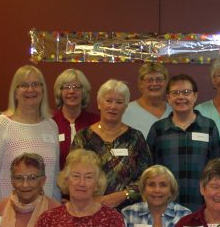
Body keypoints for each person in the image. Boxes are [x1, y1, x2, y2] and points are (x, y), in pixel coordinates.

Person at [0, 65, 60, 208]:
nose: (31, 90)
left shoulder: (51, 126)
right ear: (15, 92)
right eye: (24, 85)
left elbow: (53, 178)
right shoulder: (1, 125)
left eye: (36, 84)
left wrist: (57, 212)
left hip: (44, 215)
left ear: (43, 90)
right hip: (10, 214)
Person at [72, 79, 152, 209]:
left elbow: (147, 177)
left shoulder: (136, 138)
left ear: (125, 107)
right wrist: (94, 199)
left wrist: (124, 194)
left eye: (119, 102)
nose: (113, 106)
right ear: (99, 103)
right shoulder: (83, 137)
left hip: (128, 211)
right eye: (108, 101)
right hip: (88, 208)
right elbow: (72, 175)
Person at [146, 73, 220, 211]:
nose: (181, 97)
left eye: (186, 92)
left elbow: (215, 170)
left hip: (201, 206)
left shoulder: (209, 127)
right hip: (166, 207)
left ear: (195, 96)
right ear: (168, 98)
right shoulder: (158, 129)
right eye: (175, 93)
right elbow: (149, 171)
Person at [52, 68, 98, 170]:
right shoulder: (50, 123)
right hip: (55, 184)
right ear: (60, 92)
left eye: (76, 87)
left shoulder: (96, 122)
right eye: (67, 87)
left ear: (84, 92)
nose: (71, 91)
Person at [122, 62, 172, 138]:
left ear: (166, 83)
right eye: (150, 80)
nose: (154, 84)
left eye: (159, 79)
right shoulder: (125, 111)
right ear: (140, 84)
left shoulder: (174, 110)